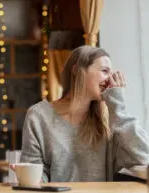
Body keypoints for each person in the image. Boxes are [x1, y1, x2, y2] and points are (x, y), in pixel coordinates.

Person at [20, 45, 149, 182]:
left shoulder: (109, 120)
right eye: (105, 71)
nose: (110, 79)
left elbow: (143, 156)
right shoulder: (38, 116)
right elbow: (34, 174)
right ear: (77, 71)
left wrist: (118, 105)